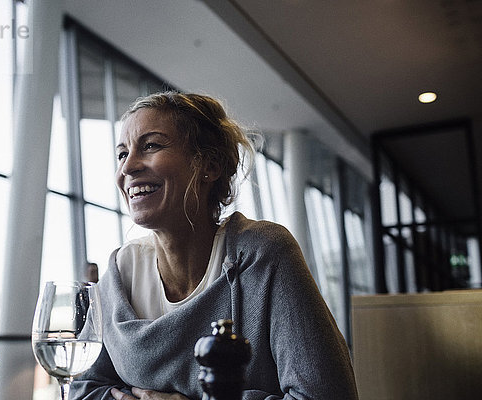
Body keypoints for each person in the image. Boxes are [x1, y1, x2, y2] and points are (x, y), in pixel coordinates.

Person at [72, 92, 358, 400]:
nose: (128, 168)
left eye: (151, 145)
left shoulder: (264, 253)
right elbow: (82, 389)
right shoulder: (120, 271)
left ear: (209, 166)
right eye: (121, 153)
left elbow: (325, 395)